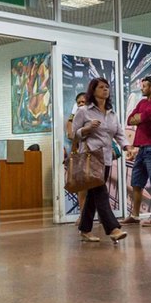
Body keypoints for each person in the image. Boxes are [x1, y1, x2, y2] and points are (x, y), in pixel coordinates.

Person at [72, 78, 130, 243]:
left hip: (106, 159)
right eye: (101, 87)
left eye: (107, 87)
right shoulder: (83, 111)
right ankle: (113, 228)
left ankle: (85, 229)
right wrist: (87, 128)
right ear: (93, 90)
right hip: (90, 158)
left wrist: (127, 147)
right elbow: (74, 134)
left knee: (92, 195)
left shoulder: (112, 113)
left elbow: (119, 134)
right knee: (101, 192)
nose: (105, 89)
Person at [120, 75, 151, 227]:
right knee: (136, 183)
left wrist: (139, 117)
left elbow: (147, 115)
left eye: (144, 86)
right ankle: (135, 216)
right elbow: (130, 119)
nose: (142, 89)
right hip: (140, 148)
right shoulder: (141, 102)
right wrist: (139, 117)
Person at [66, 92, 88, 223]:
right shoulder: (73, 118)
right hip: (80, 155)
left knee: (97, 187)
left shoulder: (94, 115)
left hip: (94, 155)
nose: (81, 104)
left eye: (83, 102)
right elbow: (70, 135)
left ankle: (103, 217)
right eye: (78, 102)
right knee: (81, 188)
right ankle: (83, 216)